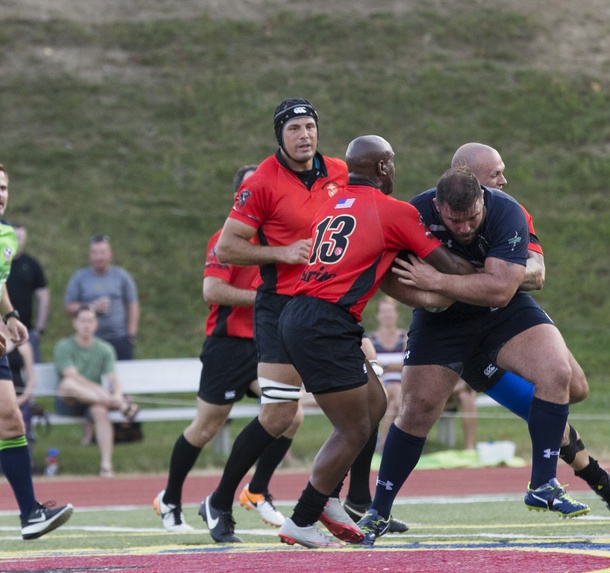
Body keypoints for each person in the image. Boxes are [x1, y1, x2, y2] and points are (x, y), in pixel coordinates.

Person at [359, 166, 588, 547]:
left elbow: (500, 290)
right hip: (440, 321)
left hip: (499, 311)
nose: (464, 228)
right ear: (437, 206)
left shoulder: (506, 211)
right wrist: (433, 299)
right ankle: (378, 511)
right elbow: (389, 278)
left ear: (483, 200)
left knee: (557, 371)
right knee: (417, 410)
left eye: (471, 219)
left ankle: (543, 483)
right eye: (454, 220)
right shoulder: (414, 214)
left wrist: (438, 282)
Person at [276, 135, 473, 548]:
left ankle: (331, 496)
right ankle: (302, 516)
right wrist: (495, 272)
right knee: (353, 429)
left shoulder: (329, 202)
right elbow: (449, 264)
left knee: (375, 404)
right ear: (383, 167)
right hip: (323, 321)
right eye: (393, 163)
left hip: (313, 314)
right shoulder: (392, 210)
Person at [448, 143, 610, 521]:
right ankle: (599, 480)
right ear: (468, 181)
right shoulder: (435, 212)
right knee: (544, 405)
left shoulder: (509, 211)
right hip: (466, 335)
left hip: (509, 312)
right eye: (495, 174)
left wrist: (492, 280)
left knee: (575, 388)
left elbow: (536, 272)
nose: (505, 180)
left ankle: (588, 478)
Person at [197, 98, 356, 544]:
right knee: (279, 415)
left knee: (366, 403)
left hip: (328, 304)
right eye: (294, 129)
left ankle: (358, 502)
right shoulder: (263, 181)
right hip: (281, 308)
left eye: (310, 126)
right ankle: (221, 499)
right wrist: (280, 253)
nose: (304, 135)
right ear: (279, 136)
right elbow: (228, 247)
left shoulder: (340, 173)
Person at [153, 164, 301, 533]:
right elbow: (212, 291)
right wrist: (264, 298)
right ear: (241, 198)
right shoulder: (226, 239)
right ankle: (169, 499)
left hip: (261, 344)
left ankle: (256, 490)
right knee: (205, 428)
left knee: (289, 416)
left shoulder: (277, 241)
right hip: (227, 346)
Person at [0, 212, 73, 539]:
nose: (0, 193)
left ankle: (30, 514)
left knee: (11, 420)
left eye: (3, 187)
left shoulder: (7, 236)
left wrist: (10, 315)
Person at [53, 306, 138, 478]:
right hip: (69, 401)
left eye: (90, 321)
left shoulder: (104, 349)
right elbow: (71, 376)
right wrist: (107, 395)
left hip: (95, 401)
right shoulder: (64, 346)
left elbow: (113, 377)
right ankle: (121, 405)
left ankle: (106, 465)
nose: (86, 325)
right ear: (75, 323)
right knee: (68, 383)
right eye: (82, 320)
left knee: (100, 411)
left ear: (96, 324)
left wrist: (117, 393)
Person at [64, 235, 140, 361]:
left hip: (120, 339)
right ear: (89, 255)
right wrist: (91, 307)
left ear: (110, 254)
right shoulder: (80, 278)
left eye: (103, 253)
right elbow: (68, 307)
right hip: (91, 340)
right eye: (95, 253)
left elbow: (132, 304)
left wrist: (131, 335)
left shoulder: (122, 276)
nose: (99, 257)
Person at [366, 296, 406, 449]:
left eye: (390, 311)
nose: (387, 315)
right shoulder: (371, 340)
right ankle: (388, 444)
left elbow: (409, 365)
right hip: (380, 384)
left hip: (403, 383)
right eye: (384, 312)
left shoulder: (405, 337)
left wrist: (385, 365)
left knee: (394, 402)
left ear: (396, 314)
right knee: (395, 395)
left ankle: (381, 444)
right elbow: (369, 367)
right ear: (378, 315)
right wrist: (395, 365)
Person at [7, 224, 48, 363]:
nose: (17, 241)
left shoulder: (31, 264)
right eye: (14, 237)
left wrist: (39, 329)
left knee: (33, 369)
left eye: (20, 238)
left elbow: (43, 297)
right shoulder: (2, 263)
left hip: (27, 330)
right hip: (3, 329)